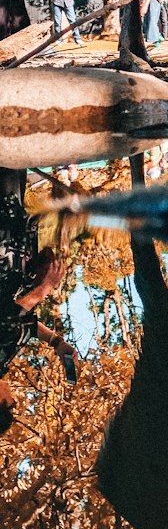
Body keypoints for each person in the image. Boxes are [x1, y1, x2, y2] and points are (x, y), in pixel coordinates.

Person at [0, 168, 77, 439]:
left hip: (3, 247)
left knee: (7, 165)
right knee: (15, 170)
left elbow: (8, 316)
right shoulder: (2, 361)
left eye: (12, 403)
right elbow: (23, 326)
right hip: (13, 246)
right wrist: (56, 342)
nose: (14, 396)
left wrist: (44, 288)